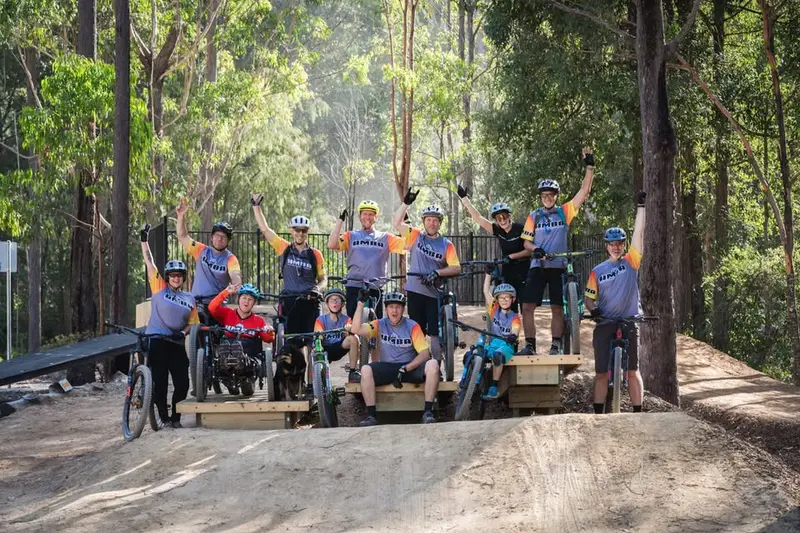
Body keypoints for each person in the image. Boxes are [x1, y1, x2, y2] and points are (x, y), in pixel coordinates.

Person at [520, 148, 596, 355]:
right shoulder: (534, 216)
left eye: (551, 195)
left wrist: (589, 167)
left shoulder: (565, 211)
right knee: (527, 306)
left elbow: (583, 192)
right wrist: (535, 249)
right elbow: (526, 242)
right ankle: (530, 345)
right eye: (544, 195)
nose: (547, 198)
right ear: (540, 197)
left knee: (557, 308)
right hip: (538, 265)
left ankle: (555, 345)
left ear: (556, 196)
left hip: (557, 266)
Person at [251, 193, 327, 394]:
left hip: (310, 302)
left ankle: (313, 385)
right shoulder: (284, 248)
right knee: (291, 344)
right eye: (297, 230)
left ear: (307, 232)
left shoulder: (315, 254)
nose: (300, 234)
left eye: (303, 231)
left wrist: (317, 290)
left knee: (312, 344)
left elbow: (323, 279)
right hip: (290, 300)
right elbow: (266, 230)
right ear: (291, 231)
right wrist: (256, 207)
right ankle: (292, 380)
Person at [584, 191, 646, 414]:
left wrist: (641, 208)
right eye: (612, 244)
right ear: (606, 246)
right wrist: (594, 310)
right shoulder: (597, 271)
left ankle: (638, 413)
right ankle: (598, 414)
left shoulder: (631, 261)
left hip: (630, 320)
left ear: (624, 245)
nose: (616, 247)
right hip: (605, 322)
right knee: (601, 371)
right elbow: (588, 298)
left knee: (632, 370)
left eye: (620, 243)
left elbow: (639, 233)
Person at [349, 291, 440, 425]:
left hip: (408, 367)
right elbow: (356, 329)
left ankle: (427, 412)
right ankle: (371, 416)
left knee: (433, 365)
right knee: (365, 369)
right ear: (386, 309)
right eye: (391, 307)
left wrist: (407, 367)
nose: (394, 311)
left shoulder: (412, 325)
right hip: (388, 367)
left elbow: (424, 354)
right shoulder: (379, 323)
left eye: (398, 307)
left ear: (403, 309)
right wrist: (360, 304)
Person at [140, 224, 199, 429]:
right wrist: (144, 240)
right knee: (160, 382)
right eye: (172, 275)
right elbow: (150, 262)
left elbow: (192, 324)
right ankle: (163, 418)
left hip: (176, 342)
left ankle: (176, 417)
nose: (175, 278)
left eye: (179, 275)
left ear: (183, 278)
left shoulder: (189, 297)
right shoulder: (159, 287)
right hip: (157, 340)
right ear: (167, 277)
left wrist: (181, 333)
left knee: (183, 382)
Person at [392, 190, 461, 361]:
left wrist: (437, 272)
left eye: (435, 220)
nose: (432, 223)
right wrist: (406, 203)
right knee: (417, 331)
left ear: (439, 223)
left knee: (435, 334)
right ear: (424, 222)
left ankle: (437, 367)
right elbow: (396, 222)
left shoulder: (446, 244)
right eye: (429, 220)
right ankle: (420, 365)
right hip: (415, 291)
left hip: (433, 293)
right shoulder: (415, 236)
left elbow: (456, 268)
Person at [457, 186, 532, 314]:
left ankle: (528, 334)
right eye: (498, 219)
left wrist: (512, 256)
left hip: (525, 270)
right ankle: (510, 333)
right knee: (509, 309)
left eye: (504, 216)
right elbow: (478, 218)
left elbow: (529, 251)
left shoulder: (521, 228)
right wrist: (464, 199)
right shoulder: (498, 230)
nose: (502, 220)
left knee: (526, 308)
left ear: (509, 216)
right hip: (508, 271)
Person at [327, 201, 406, 319]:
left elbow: (408, 243)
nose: (367, 217)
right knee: (353, 323)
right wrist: (340, 220)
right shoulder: (350, 235)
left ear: (376, 217)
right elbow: (332, 244)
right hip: (354, 285)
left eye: (371, 214)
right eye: (364, 214)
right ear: (359, 217)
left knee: (376, 324)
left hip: (375, 287)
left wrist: (404, 217)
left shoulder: (385, 237)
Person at [175, 198, 242, 313]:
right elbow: (182, 236)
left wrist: (236, 286)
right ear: (211, 238)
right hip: (196, 302)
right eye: (217, 235)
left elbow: (235, 276)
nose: (220, 239)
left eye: (224, 237)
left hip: (217, 305)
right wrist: (181, 216)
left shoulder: (231, 259)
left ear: (228, 241)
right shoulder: (201, 250)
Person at [460, 278, 522, 400]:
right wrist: (488, 274)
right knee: (471, 354)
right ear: (497, 300)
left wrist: (513, 335)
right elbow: (485, 291)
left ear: (512, 299)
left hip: (506, 346)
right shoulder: (494, 310)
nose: (504, 300)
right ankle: (468, 380)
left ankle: (494, 387)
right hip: (492, 343)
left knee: (497, 356)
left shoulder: (515, 317)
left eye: (507, 298)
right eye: (501, 298)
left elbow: (515, 328)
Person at [208, 283, 275, 394]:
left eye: (250, 299)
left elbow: (268, 339)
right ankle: (229, 376)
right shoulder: (228, 314)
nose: (246, 302)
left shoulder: (258, 321)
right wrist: (226, 292)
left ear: (254, 303)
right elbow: (212, 307)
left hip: (248, 353)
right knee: (226, 344)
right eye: (244, 298)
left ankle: (241, 371)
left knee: (241, 346)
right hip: (227, 349)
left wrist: (269, 331)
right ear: (238, 299)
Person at [315, 288, 361, 383]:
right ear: (327, 304)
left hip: (339, 347)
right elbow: (318, 333)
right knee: (315, 348)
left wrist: (349, 328)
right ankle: (316, 381)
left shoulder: (347, 319)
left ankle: (353, 371)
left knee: (353, 339)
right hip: (325, 349)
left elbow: (350, 328)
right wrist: (319, 336)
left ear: (343, 304)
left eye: (337, 300)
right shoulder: (321, 319)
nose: (334, 302)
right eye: (332, 300)